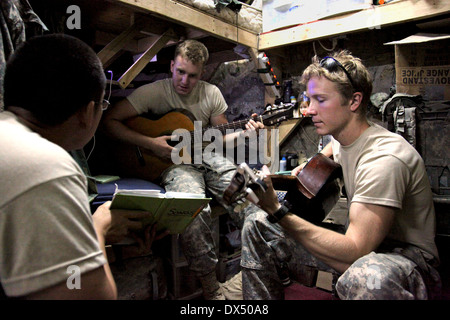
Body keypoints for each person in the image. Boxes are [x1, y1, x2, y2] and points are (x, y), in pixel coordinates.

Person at [239, 50, 441, 299]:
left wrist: (277, 209)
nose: (309, 110)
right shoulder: (344, 137)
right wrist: (317, 161)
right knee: (257, 224)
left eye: (320, 100)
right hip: (363, 249)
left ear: (354, 102)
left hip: (407, 260)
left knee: (364, 277)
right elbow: (336, 147)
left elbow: (357, 250)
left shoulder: (385, 157)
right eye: (309, 99)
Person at [0, 34, 161, 299]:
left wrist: (115, 249)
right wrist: (98, 226)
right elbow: (92, 295)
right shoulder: (50, 166)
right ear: (88, 112)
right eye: (103, 105)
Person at [100, 39, 263, 299]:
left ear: (202, 73)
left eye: (193, 75)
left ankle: (256, 268)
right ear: (173, 66)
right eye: (181, 72)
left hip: (207, 157)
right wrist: (150, 144)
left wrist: (245, 134)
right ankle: (211, 289)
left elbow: (220, 138)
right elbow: (110, 122)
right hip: (172, 164)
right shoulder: (153, 92)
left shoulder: (211, 94)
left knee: (251, 191)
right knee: (192, 205)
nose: (185, 81)